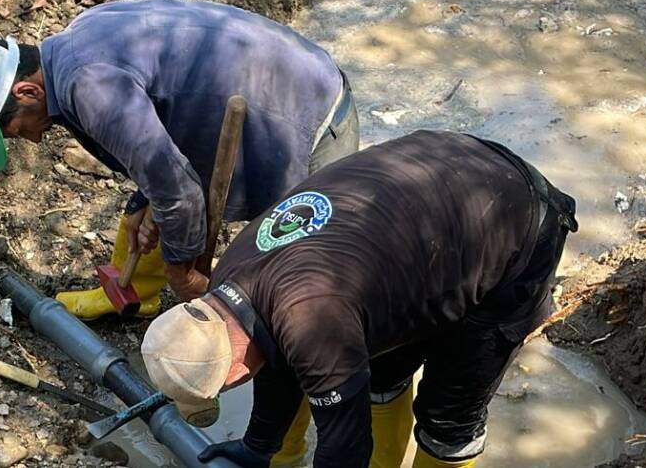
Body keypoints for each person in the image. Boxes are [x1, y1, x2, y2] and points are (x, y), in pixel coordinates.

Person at [140, 130, 578, 468]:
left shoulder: (311, 319)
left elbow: (345, 445)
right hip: (434, 192)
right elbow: (274, 356)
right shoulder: (232, 276)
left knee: (449, 416)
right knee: (381, 375)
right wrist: (260, 447)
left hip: (512, 220)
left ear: (233, 371)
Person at [0, 0, 358, 319]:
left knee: (303, 286)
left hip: (308, 116)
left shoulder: (89, 86)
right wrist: (146, 201)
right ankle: (138, 295)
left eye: (13, 130)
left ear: (27, 93)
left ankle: (301, 417)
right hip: (277, 82)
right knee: (155, 207)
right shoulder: (76, 39)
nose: (28, 141)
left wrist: (183, 273)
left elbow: (179, 192)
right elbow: (163, 114)